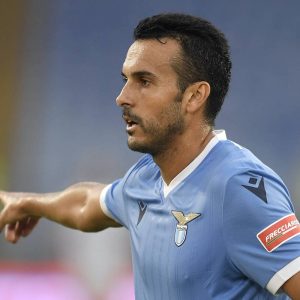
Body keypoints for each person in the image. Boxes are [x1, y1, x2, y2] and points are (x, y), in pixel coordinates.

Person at [0, 13, 300, 299]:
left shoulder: (239, 188)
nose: (122, 97)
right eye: (125, 80)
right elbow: (87, 204)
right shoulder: (146, 178)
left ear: (194, 96)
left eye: (144, 82)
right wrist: (32, 204)